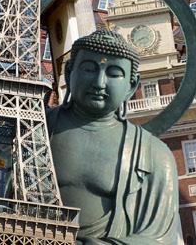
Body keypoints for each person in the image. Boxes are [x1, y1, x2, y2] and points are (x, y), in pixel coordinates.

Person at [48, 29, 179, 245]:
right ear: (69, 72)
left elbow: (161, 240)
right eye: (89, 69)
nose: (99, 82)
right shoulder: (35, 127)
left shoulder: (154, 154)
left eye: (114, 73)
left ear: (131, 86)